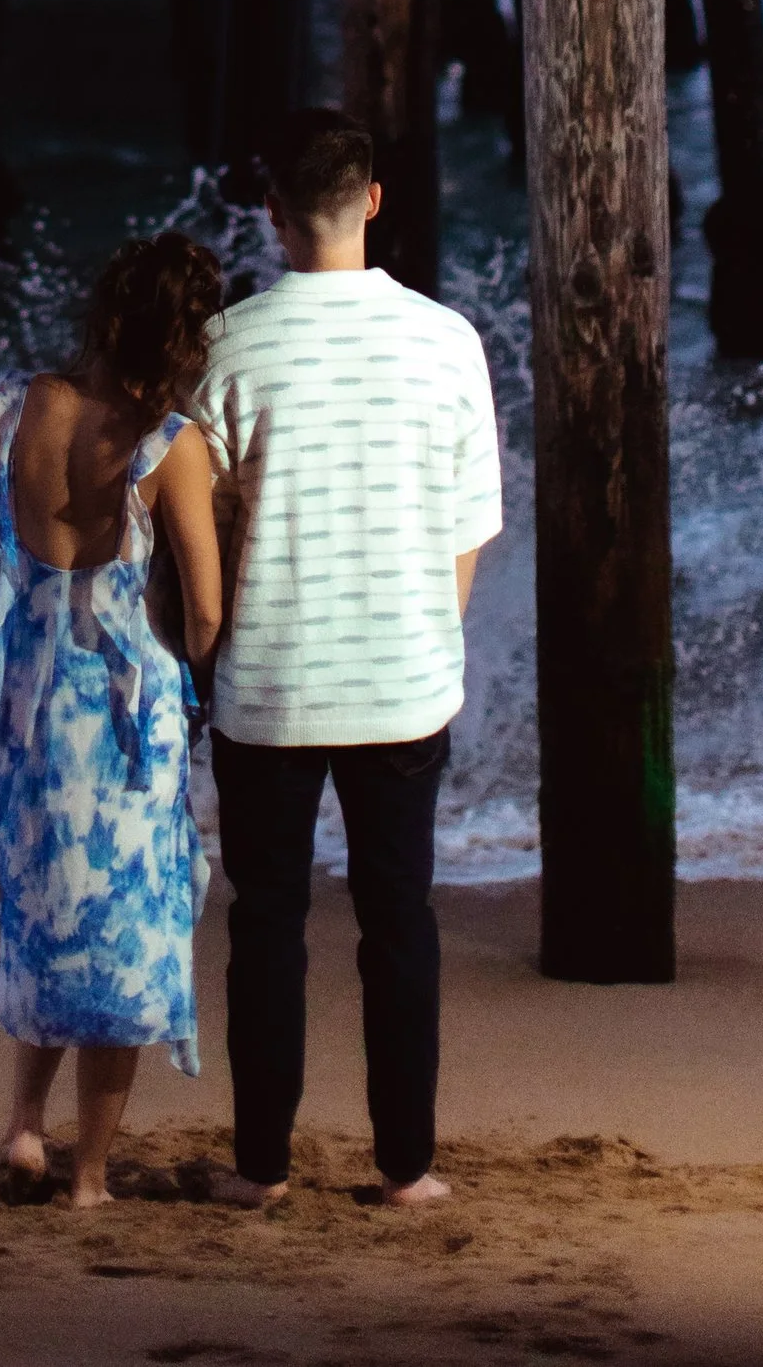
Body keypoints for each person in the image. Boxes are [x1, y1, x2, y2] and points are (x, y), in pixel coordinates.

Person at [187, 113, 503, 1210]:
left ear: (270, 213)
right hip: (403, 679)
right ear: (373, 200)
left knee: (265, 922)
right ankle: (405, 1167)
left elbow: (205, 536)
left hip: (268, 681)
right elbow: (468, 531)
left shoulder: (227, 343)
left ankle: (259, 1167)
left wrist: (209, 652)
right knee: (399, 920)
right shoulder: (448, 340)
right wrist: (424, 631)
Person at [0, 232, 226, 1209]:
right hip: (118, 713)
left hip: (25, 699)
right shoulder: (168, 444)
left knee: (41, 914)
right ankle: (92, 1178)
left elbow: (2, 535)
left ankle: (26, 1130)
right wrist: (204, 682)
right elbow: (201, 612)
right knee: (122, 934)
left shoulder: (15, 407)